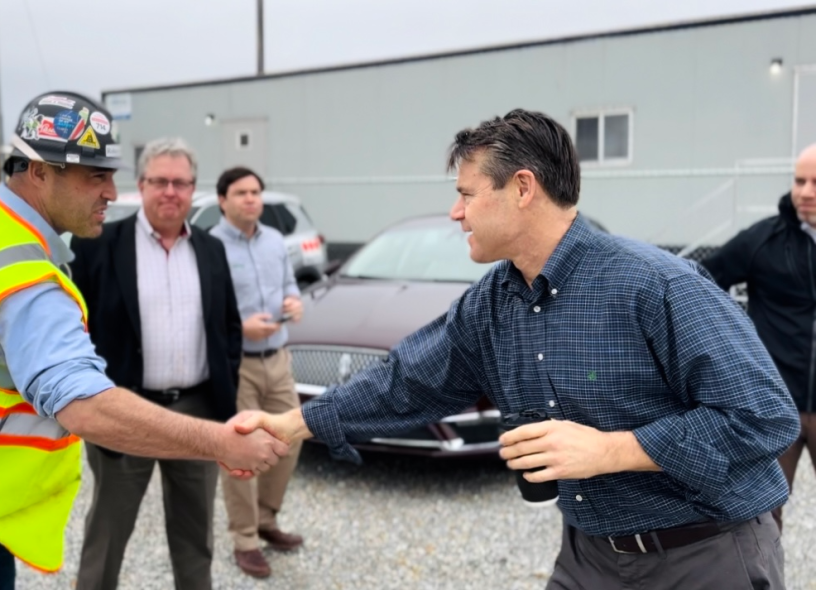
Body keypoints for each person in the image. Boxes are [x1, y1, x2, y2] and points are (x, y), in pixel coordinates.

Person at [231, 110, 799, 589]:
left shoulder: (658, 285)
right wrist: (294, 423)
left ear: (523, 188)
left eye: (466, 195)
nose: (456, 212)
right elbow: (406, 379)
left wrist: (613, 450)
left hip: (704, 555)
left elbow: (764, 417)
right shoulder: (494, 301)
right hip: (589, 556)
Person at [0, 92, 286, 590]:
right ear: (39, 171)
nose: (110, 190)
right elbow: (84, 407)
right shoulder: (27, 281)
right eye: (94, 175)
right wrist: (219, 443)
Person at [70, 137, 242, 590]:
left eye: (181, 182)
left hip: (198, 411)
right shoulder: (98, 245)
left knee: (195, 531)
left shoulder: (210, 249)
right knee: (108, 527)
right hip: (125, 409)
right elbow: (75, 328)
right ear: (141, 185)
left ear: (193, 189)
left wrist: (226, 395)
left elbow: (229, 328)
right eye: (160, 181)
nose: (171, 191)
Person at [702, 144, 816, 531]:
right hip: (774, 406)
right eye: (800, 181)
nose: (805, 191)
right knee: (762, 519)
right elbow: (701, 282)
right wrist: (729, 348)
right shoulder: (762, 240)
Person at [209, 167, 305, 578]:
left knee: (291, 437)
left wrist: (294, 302)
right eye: (241, 192)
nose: (251, 199)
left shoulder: (275, 243)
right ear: (222, 201)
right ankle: (245, 539)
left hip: (278, 360)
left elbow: (290, 285)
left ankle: (267, 519)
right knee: (241, 451)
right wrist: (239, 327)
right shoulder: (209, 246)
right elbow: (204, 310)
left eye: (255, 192)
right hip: (238, 365)